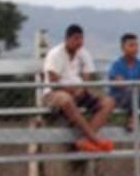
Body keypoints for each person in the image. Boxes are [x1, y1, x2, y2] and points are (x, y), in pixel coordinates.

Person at [42, 24, 115, 153]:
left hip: (78, 91)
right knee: (66, 100)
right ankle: (94, 139)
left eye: (81, 38)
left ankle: (84, 141)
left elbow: (87, 76)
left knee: (108, 102)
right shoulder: (55, 53)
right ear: (66, 39)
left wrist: (82, 88)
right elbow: (53, 81)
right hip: (55, 93)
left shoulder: (83, 53)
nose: (79, 42)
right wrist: (72, 90)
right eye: (76, 38)